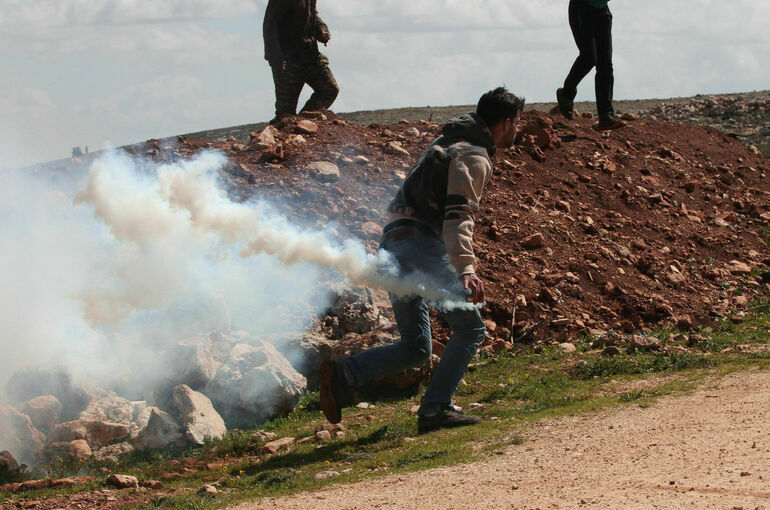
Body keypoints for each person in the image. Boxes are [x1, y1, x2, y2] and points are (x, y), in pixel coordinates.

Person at [320, 87, 525, 434]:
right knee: (471, 329)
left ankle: (345, 373)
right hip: (423, 248)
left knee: (416, 346)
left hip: (393, 245)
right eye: (517, 122)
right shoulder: (473, 156)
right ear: (506, 123)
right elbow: (459, 216)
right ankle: (435, 409)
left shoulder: (445, 143)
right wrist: (466, 269)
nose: (518, 129)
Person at [553, 0, 625, 131]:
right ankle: (566, 93)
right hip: (582, 9)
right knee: (589, 58)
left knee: (605, 64)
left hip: (602, 11)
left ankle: (606, 117)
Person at [263, 0, 339, 122]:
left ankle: (304, 122)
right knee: (286, 113)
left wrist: (322, 30)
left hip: (311, 56)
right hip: (288, 60)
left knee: (329, 89)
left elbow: (313, 15)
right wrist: (276, 58)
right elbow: (270, 25)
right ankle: (290, 129)